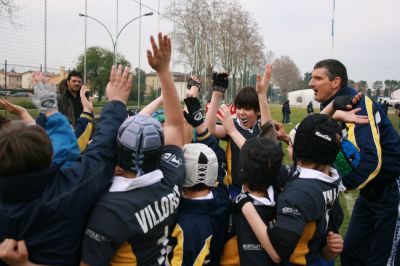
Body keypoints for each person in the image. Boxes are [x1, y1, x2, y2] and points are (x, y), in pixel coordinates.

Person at [0, 64, 133, 266]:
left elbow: (66, 150)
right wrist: (115, 103)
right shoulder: (70, 187)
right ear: (48, 156)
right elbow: (100, 151)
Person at [80, 33, 186, 266]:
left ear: (117, 155)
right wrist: (164, 72)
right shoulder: (171, 175)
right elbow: (176, 125)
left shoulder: (109, 211)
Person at [309, 59, 400, 266]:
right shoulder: (332, 106)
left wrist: (336, 186)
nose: (311, 83)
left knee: (383, 259)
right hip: (370, 193)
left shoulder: (359, 104)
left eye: (317, 78)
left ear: (335, 82)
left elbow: (371, 160)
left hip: (392, 190)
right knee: (351, 253)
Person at [233, 113, 344, 265]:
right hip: (312, 253)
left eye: (293, 141)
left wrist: (245, 205)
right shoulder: (331, 177)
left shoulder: (297, 195)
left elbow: (278, 253)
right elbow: (262, 160)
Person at [206, 65, 272, 197]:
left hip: (259, 190)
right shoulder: (234, 125)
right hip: (235, 188)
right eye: (239, 107)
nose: (241, 113)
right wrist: (217, 93)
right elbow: (210, 129)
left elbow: (257, 153)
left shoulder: (262, 130)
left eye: (247, 108)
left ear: (258, 111)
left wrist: (262, 96)